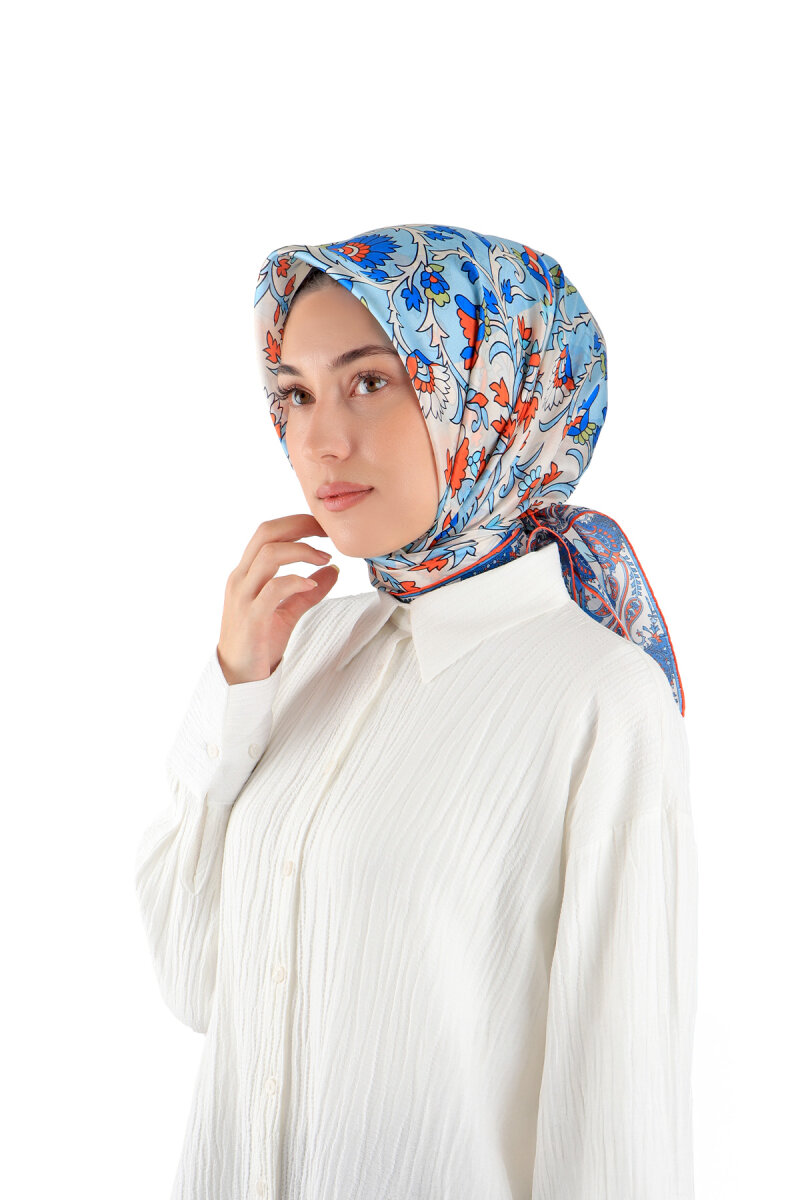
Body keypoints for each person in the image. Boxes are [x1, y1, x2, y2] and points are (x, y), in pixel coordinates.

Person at [133, 223, 698, 1200]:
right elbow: (195, 982)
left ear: (493, 397)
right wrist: (235, 685)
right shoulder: (304, 646)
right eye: (294, 393)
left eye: (369, 381)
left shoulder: (600, 699)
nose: (318, 440)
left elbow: (619, 1124)